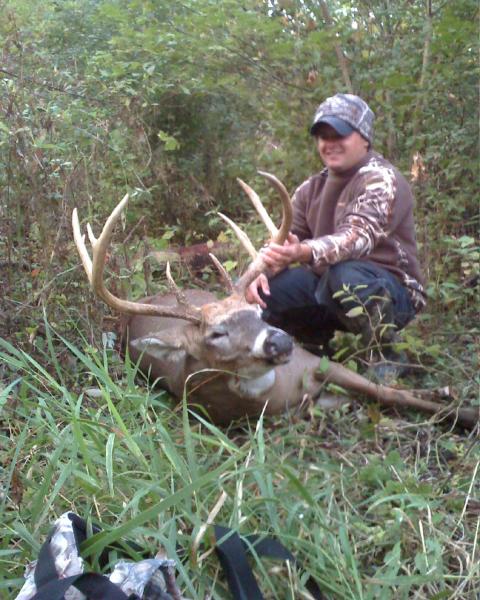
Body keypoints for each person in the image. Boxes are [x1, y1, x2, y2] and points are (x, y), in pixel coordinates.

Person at [245, 93, 426, 381]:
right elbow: (285, 239)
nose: (329, 143)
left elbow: (357, 238)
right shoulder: (310, 188)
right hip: (328, 288)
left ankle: (385, 356)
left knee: (346, 274)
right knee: (268, 291)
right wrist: (262, 269)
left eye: (339, 134)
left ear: (364, 138)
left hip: (392, 291)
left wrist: (301, 252)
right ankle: (314, 349)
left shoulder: (380, 179)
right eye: (322, 136)